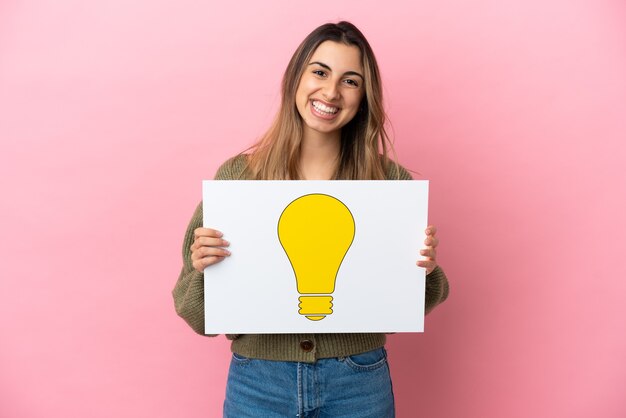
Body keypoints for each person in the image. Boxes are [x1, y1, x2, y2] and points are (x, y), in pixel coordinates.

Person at [173, 21, 449, 418]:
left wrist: (422, 269)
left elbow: (412, 304)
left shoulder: (388, 183)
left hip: (358, 380)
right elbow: (197, 317)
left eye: (350, 80)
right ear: (295, 78)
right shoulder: (237, 178)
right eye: (320, 72)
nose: (331, 92)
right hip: (259, 382)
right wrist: (203, 270)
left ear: (364, 96)